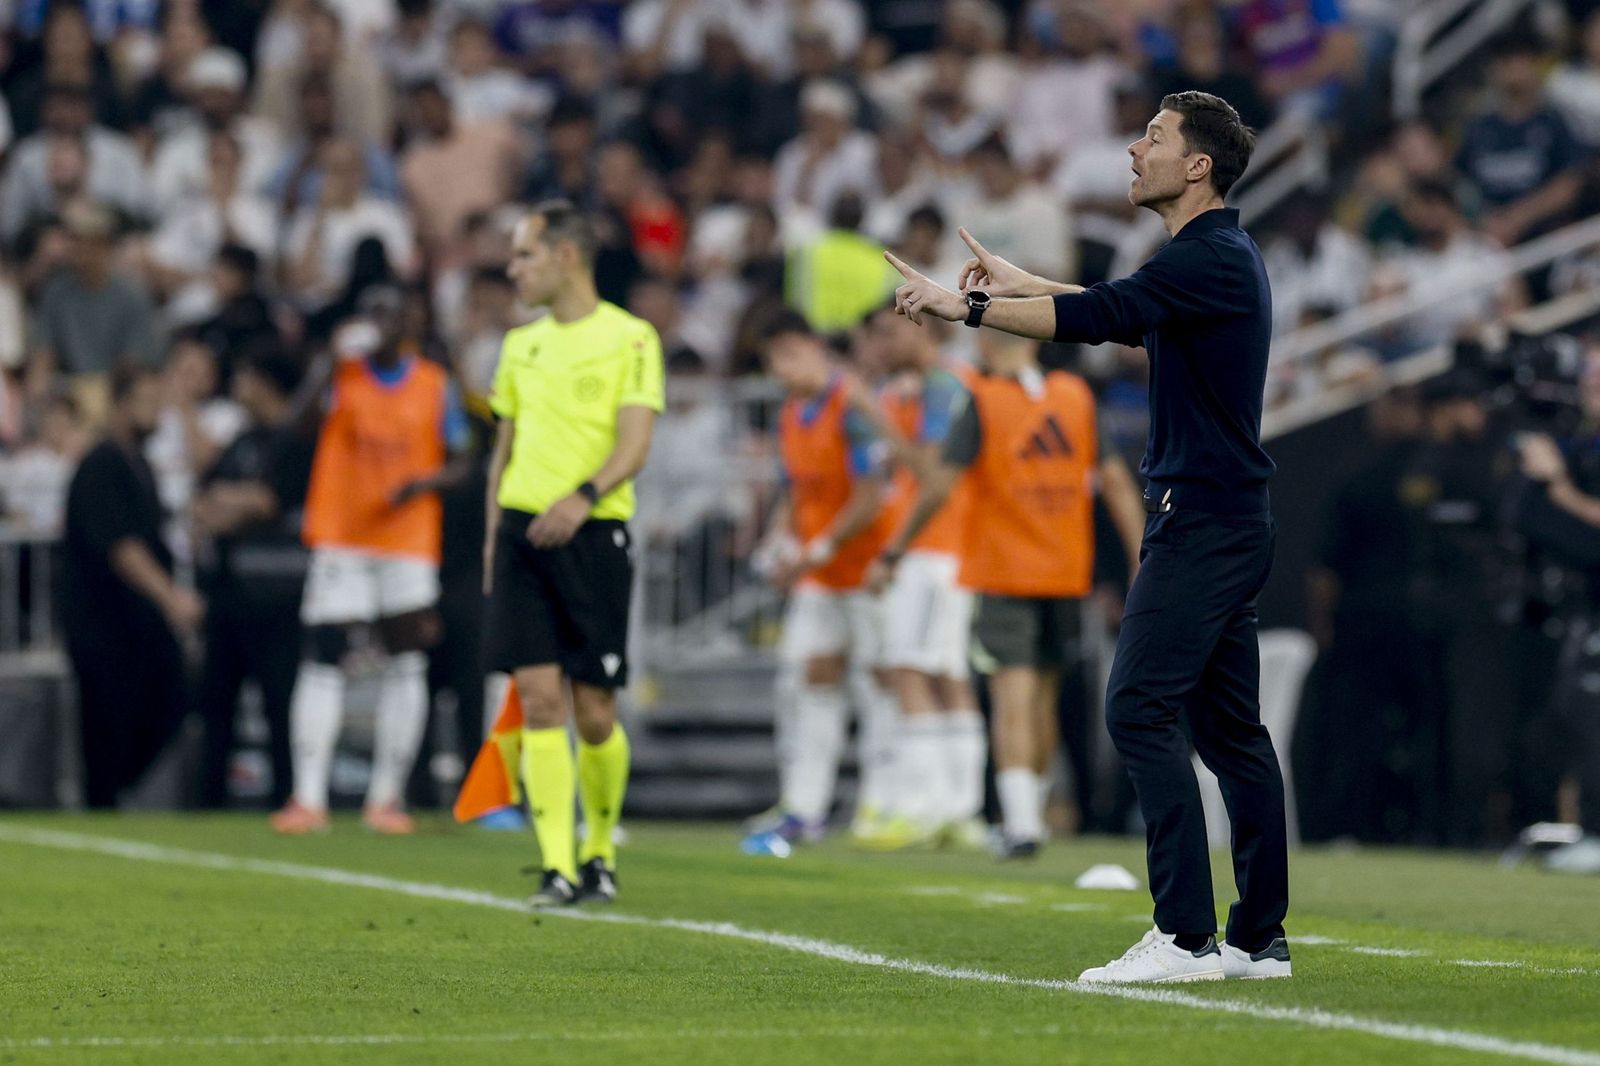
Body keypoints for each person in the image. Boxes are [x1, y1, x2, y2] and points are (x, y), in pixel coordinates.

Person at [885, 91, 1287, 983]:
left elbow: (1102, 318)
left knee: (1137, 709)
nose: (1133, 149)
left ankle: (1185, 937)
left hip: (1203, 520)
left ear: (1198, 167)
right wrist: (1020, 282)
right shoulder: (1212, 257)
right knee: (1231, 735)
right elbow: (1123, 307)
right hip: (1228, 516)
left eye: (1155, 137)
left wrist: (966, 311)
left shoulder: (1208, 256)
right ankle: (1260, 941)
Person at [871, 327, 1144, 858]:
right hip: (1065, 573)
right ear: (1035, 343)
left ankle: (1021, 825)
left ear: (986, 348)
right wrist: (1141, 560)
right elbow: (1115, 482)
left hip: (1003, 572)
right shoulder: (1076, 396)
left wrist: (895, 549)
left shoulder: (984, 400)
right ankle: (1031, 813)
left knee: (1011, 696)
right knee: (1042, 696)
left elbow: (940, 486)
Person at [483, 201, 664, 907]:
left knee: (594, 712)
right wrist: (495, 538)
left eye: (524, 255)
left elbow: (635, 443)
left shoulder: (631, 338)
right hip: (526, 535)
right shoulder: (518, 346)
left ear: (566, 257)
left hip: (593, 533)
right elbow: (501, 458)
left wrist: (582, 497)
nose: (512, 270)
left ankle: (598, 851)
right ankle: (558, 866)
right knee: (539, 699)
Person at [271, 286, 472, 835]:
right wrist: (325, 365)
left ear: (409, 323)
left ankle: (386, 797)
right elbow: (296, 426)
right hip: (343, 535)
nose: (382, 323)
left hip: (406, 539)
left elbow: (461, 460)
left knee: (407, 661)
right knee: (325, 656)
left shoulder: (435, 384)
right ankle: (307, 798)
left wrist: (424, 482)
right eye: (375, 312)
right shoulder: (342, 375)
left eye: (393, 314)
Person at [741, 309, 896, 854]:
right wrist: (778, 543)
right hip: (820, 573)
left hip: (868, 571)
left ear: (814, 349)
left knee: (878, 688)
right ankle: (804, 806)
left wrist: (818, 547)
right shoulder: (791, 413)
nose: (781, 369)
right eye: (771, 361)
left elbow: (873, 491)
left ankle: (882, 804)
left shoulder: (851, 404)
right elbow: (795, 492)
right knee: (808, 683)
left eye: (788, 355)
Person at [847, 302, 985, 849]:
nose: (879, 346)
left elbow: (931, 474)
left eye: (887, 333)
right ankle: (958, 808)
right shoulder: (925, 388)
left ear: (921, 328)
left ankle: (932, 807)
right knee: (942, 674)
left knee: (913, 671)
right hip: (938, 549)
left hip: (937, 548)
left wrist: (876, 417)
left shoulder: (945, 387)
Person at [60, 363, 202, 808]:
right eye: (147, 402)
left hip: (136, 625)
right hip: (104, 623)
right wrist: (170, 596)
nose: (156, 413)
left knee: (169, 699)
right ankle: (102, 801)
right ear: (120, 406)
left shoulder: (137, 463)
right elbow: (121, 546)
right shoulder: (103, 463)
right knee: (108, 725)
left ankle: (116, 791)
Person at [192, 345, 316, 809]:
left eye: (245, 376)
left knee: (281, 704)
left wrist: (236, 505)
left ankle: (290, 798)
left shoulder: (298, 439)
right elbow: (204, 501)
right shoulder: (242, 440)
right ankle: (209, 803)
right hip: (230, 593)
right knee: (216, 704)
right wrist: (232, 504)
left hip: (283, 595)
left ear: (265, 381)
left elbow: (269, 501)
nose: (237, 385)